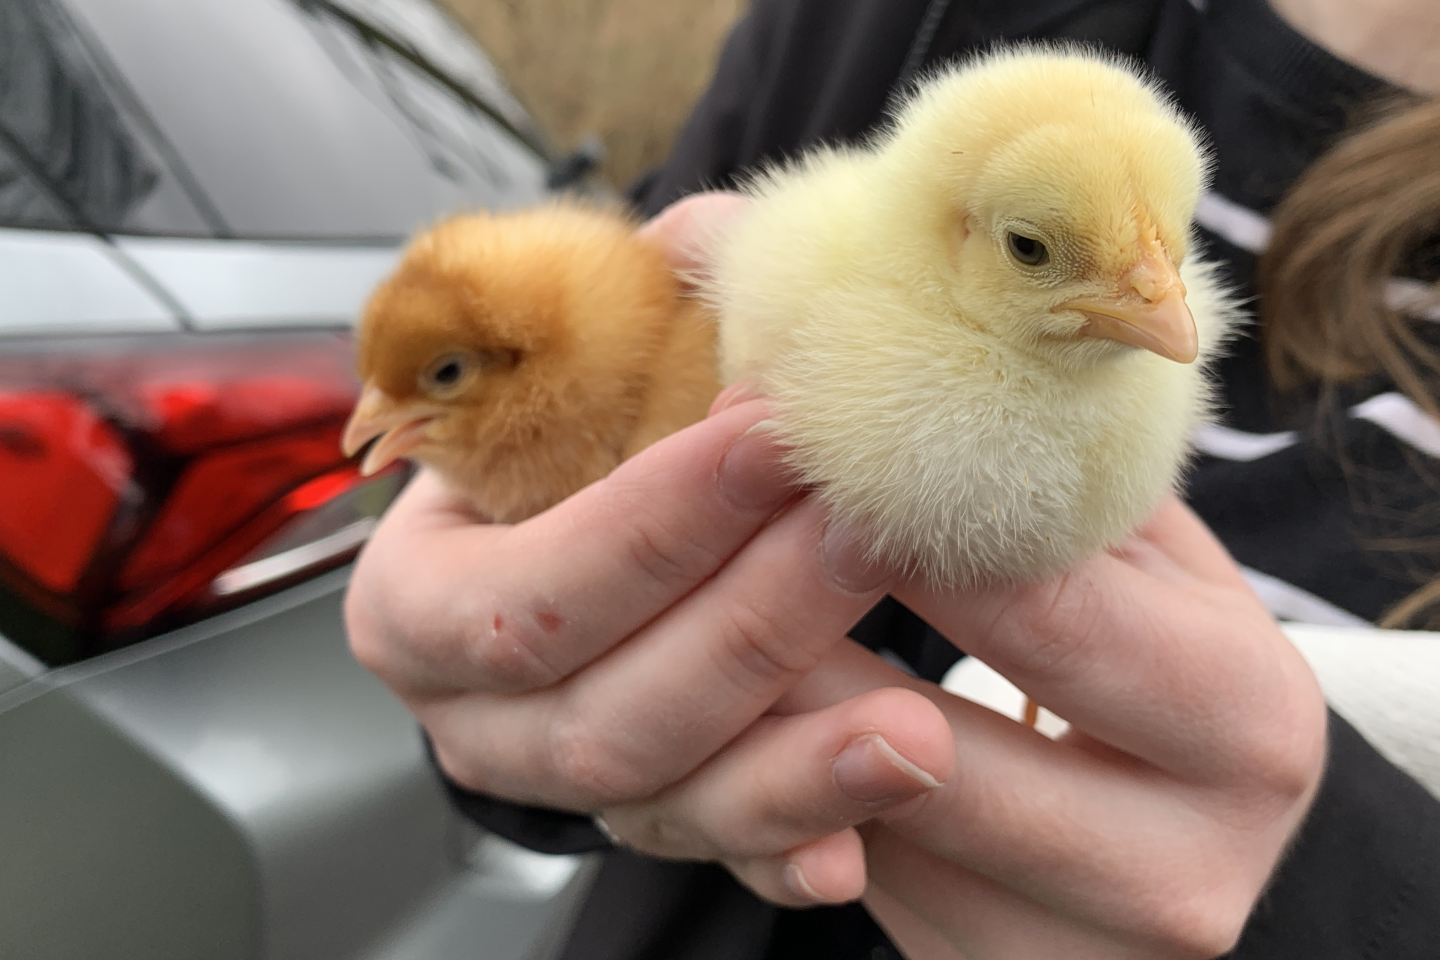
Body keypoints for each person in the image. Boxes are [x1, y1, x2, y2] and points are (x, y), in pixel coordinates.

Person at [344, 0, 1440, 957]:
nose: (1172, 313)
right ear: (954, 231)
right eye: (1031, 251)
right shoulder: (872, 34)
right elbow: (587, 386)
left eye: (1168, 253)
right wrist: (516, 665)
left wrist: (1351, 912)